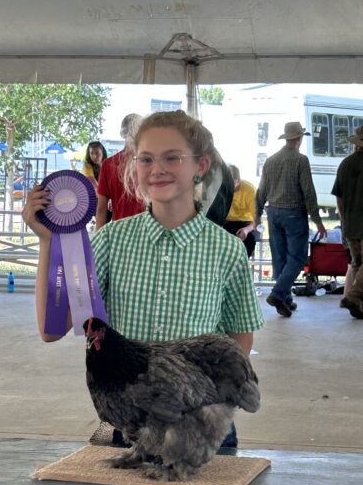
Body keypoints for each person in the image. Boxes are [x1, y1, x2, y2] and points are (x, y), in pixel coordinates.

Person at [22, 110, 264, 448]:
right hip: (130, 426)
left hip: (201, 428)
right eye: (146, 159)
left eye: (172, 157)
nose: (157, 169)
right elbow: (52, 329)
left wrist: (205, 401)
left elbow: (240, 343)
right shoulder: (110, 241)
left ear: (201, 165)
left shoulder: (227, 251)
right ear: (134, 167)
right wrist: (48, 241)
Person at [256, 121, 326, 317]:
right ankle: (278, 294)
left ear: (287, 138)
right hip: (294, 213)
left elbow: (261, 191)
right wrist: (317, 220)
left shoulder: (271, 160)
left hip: (273, 213)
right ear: (299, 138)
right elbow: (308, 192)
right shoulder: (300, 160)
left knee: (280, 258)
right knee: (297, 257)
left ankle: (286, 299)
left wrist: (256, 214)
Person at [331, 126, 363, 319]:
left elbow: (339, 198)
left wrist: (344, 220)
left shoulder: (345, 164)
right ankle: (353, 296)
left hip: (351, 225)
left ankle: (357, 305)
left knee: (358, 263)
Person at [95, 113, 145, 230]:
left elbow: (102, 208)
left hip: (119, 232)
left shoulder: (108, 164)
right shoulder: (151, 162)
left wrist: (97, 241)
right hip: (148, 232)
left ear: (122, 133)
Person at [224, 164, 257, 257]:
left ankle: (243, 264)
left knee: (248, 240)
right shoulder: (222, 189)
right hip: (228, 222)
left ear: (237, 181)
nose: (227, 185)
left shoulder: (249, 190)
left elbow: (257, 220)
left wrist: (246, 230)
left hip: (248, 223)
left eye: (230, 182)